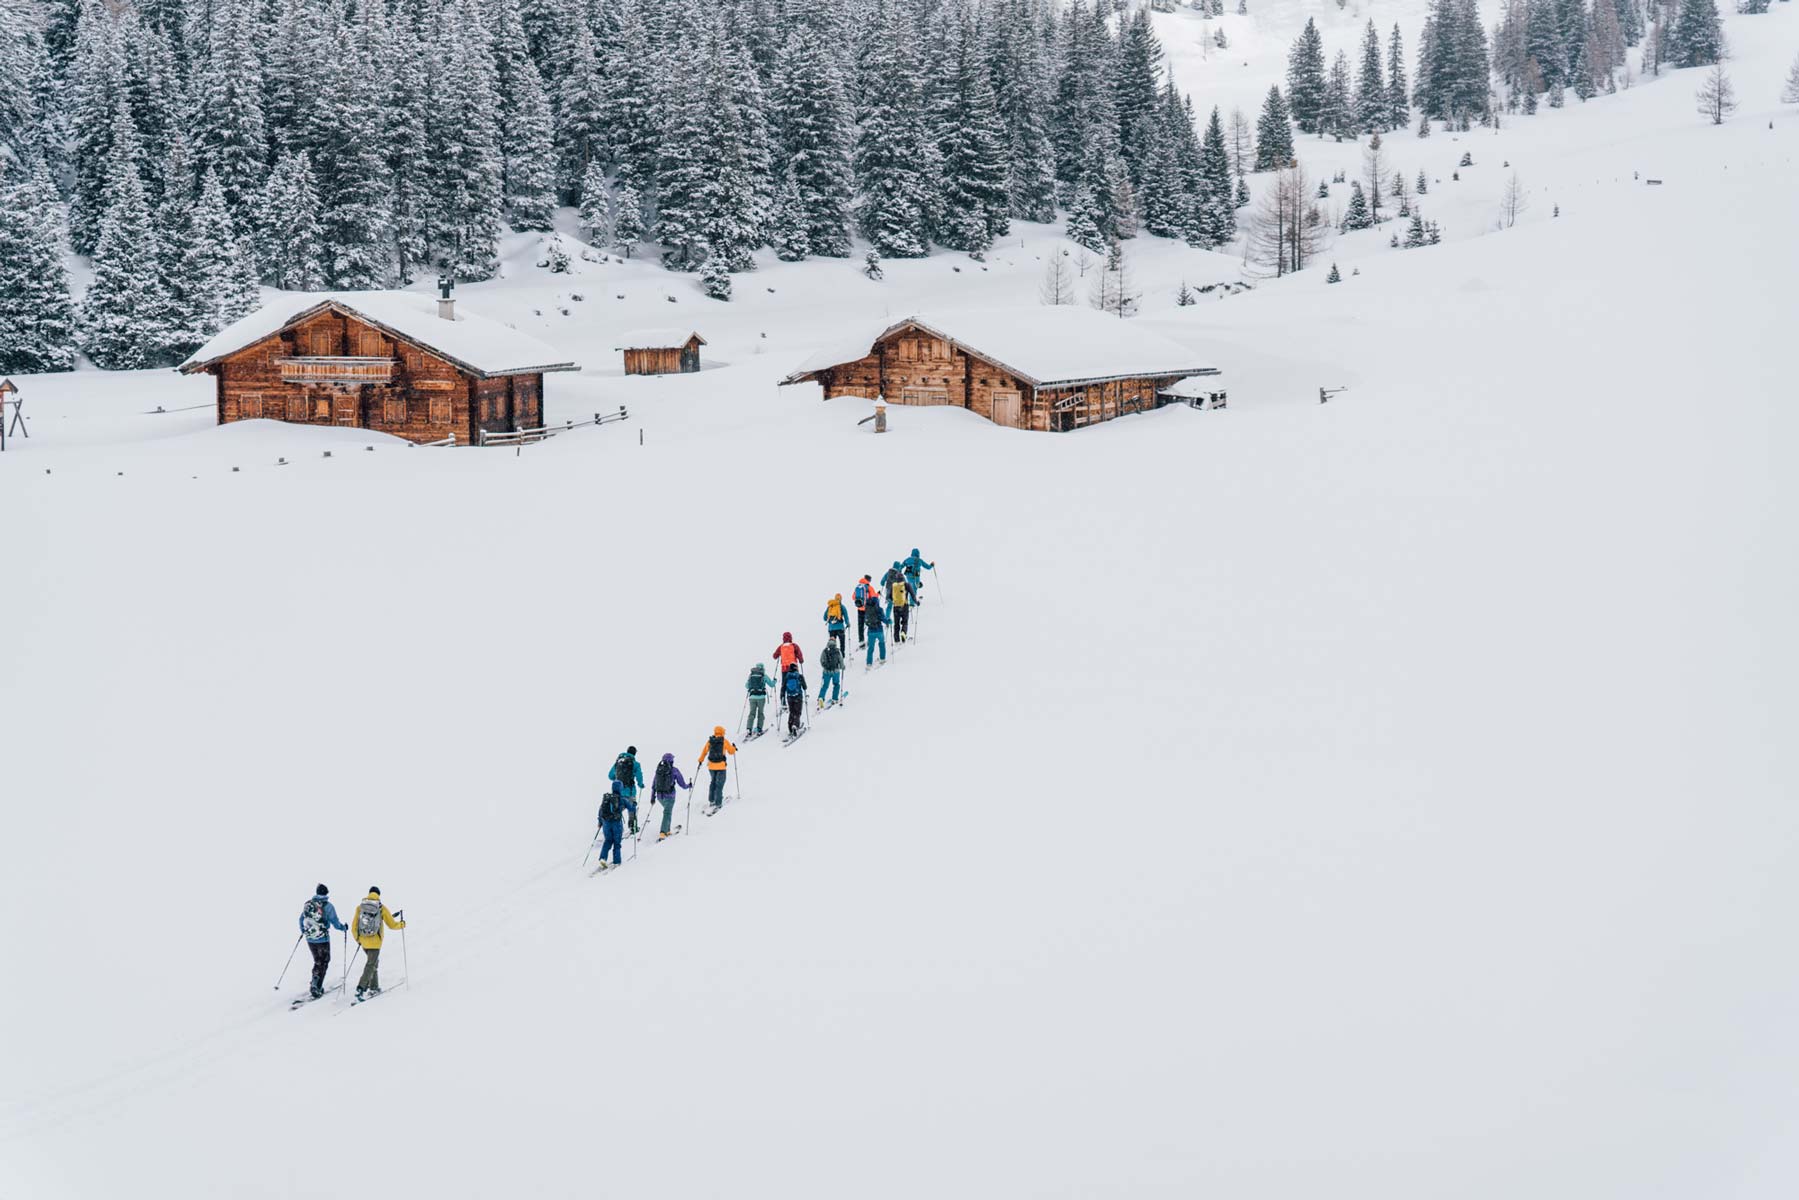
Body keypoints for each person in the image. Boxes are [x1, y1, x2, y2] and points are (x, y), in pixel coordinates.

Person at [352, 886, 405, 1000]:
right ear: (378, 895)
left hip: (363, 942)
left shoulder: (360, 907)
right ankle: (360, 989)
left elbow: (354, 927)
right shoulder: (381, 908)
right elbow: (392, 925)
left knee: (373, 963)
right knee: (370, 965)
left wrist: (358, 939)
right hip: (375, 943)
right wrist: (402, 924)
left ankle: (374, 987)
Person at [298, 883, 348, 999]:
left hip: (310, 938)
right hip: (322, 939)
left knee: (317, 961)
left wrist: (304, 931)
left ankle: (315, 982)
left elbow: (301, 919)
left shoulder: (309, 904)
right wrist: (343, 928)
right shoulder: (328, 906)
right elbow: (335, 922)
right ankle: (317, 986)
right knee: (324, 960)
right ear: (326, 893)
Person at [648, 753, 691, 838]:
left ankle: (667, 830)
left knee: (668, 811)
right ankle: (663, 832)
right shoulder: (674, 770)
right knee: (667, 812)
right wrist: (688, 786)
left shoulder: (658, 770)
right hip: (670, 796)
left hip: (660, 797)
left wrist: (652, 797)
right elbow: (682, 784)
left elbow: (654, 784)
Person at [696, 725, 738, 813]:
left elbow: (704, 751)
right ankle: (718, 803)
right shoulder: (724, 741)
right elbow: (731, 751)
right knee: (719, 784)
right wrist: (734, 748)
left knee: (713, 782)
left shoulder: (710, 741)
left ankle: (711, 800)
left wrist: (700, 760)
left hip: (711, 766)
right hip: (721, 766)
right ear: (722, 732)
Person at [596, 781, 637, 869]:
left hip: (606, 823)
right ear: (620, 789)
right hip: (616, 824)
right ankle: (617, 861)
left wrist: (600, 822)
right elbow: (632, 809)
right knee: (617, 842)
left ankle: (603, 858)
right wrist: (634, 804)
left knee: (608, 841)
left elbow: (600, 811)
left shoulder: (607, 798)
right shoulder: (622, 799)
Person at [609, 747, 644, 834]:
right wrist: (641, 784)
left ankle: (612, 827)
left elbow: (610, 776)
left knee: (617, 809)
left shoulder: (618, 762)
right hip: (630, 791)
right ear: (635, 753)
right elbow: (639, 776)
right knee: (631, 808)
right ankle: (633, 827)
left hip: (618, 791)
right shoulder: (635, 764)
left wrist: (617, 779)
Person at [745, 663, 772, 737]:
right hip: (761, 697)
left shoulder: (751, 675)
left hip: (752, 697)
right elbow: (771, 684)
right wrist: (775, 681)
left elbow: (746, 686)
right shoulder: (763, 675)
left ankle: (749, 729)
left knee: (752, 713)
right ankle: (759, 729)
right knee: (760, 713)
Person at [818, 637, 844, 708]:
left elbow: (821, 660)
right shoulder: (837, 650)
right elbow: (841, 660)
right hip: (836, 671)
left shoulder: (825, 651)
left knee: (824, 685)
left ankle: (821, 698)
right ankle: (834, 698)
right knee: (836, 684)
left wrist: (825, 667)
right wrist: (842, 667)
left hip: (826, 672)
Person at [782, 666, 808, 736]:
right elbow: (805, 687)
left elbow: (783, 687)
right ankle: (795, 725)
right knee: (797, 712)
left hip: (789, 697)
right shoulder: (799, 676)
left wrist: (782, 695)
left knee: (792, 712)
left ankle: (790, 727)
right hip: (798, 696)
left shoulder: (787, 677)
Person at [864, 594, 888, 667]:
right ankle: (882, 659)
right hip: (879, 630)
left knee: (870, 647)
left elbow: (865, 620)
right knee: (882, 644)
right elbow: (883, 619)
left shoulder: (867, 609)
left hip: (871, 631)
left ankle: (869, 663)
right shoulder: (879, 609)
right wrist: (888, 621)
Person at [821, 594, 849, 658]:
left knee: (832, 644)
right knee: (842, 643)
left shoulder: (830, 606)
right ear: (841, 599)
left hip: (831, 629)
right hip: (840, 628)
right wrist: (848, 624)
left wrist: (830, 620)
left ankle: (832, 657)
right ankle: (842, 656)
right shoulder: (842, 607)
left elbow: (824, 618)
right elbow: (846, 617)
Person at [852, 575, 875, 647]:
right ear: (869, 580)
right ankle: (870, 640)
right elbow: (874, 597)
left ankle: (861, 641)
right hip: (867, 609)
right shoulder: (869, 587)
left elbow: (853, 597)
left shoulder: (858, 587)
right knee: (870, 624)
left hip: (859, 609)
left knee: (860, 625)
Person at [889, 572, 912, 643]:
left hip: (896, 607)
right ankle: (903, 632)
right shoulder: (906, 584)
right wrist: (917, 602)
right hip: (904, 606)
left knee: (896, 623)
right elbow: (912, 594)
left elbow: (890, 597)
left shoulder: (893, 585)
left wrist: (894, 600)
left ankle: (896, 639)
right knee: (905, 622)